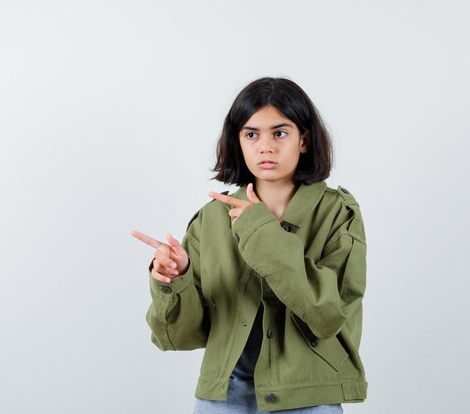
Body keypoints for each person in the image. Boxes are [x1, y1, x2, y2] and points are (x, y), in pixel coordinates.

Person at [131, 77, 368, 413]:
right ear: (238, 141)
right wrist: (174, 279)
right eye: (251, 134)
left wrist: (259, 229)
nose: (265, 146)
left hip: (308, 397)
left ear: (304, 140)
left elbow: (328, 314)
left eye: (280, 133)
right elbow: (179, 338)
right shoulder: (211, 219)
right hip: (222, 399)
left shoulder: (337, 213)